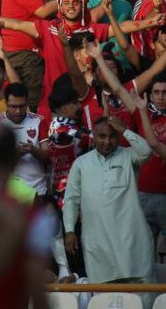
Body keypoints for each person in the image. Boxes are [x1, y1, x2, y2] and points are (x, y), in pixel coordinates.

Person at [62, 112, 157, 283]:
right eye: (102, 136)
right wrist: (69, 231)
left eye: (113, 136)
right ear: (94, 136)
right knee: (103, 296)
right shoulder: (82, 163)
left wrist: (125, 130)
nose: (107, 141)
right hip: (97, 242)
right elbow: (71, 200)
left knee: (140, 294)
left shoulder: (129, 155)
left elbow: (147, 151)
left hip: (131, 240)